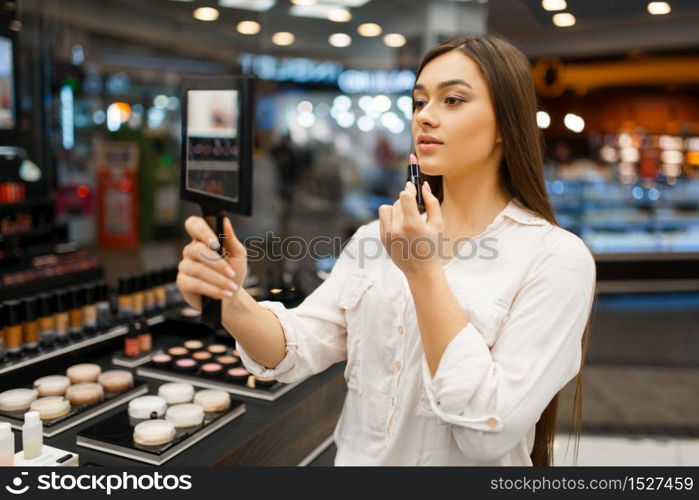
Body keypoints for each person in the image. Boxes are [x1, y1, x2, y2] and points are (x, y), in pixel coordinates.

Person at [176, 35, 596, 466]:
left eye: (452, 100)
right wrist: (231, 298)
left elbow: (486, 430)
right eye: (419, 102)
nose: (425, 117)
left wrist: (424, 273)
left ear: (507, 124)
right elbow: (299, 345)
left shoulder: (555, 258)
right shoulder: (377, 237)